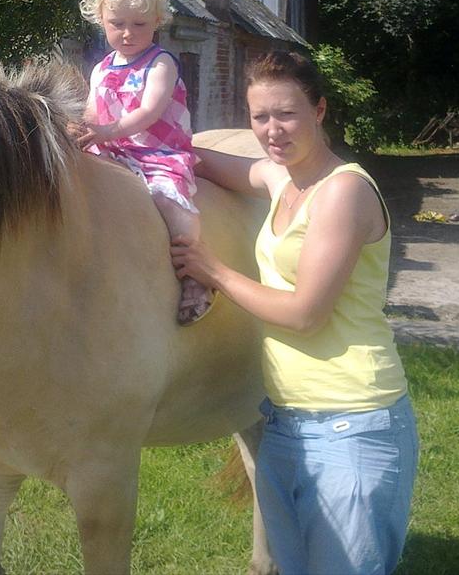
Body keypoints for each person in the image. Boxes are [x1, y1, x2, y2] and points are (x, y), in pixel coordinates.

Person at [169, 50, 418, 575]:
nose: (272, 130)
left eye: (287, 114)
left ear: (320, 110)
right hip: (286, 422)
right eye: (260, 117)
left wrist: (214, 272)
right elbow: (209, 161)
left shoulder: (342, 193)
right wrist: (142, 138)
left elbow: (306, 313)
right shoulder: (284, 180)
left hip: (353, 423)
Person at [75, 0, 212, 325]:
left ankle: (196, 272)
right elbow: (91, 113)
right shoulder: (101, 69)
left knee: (168, 199)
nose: (127, 33)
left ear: (157, 21)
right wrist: (80, 130)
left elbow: (149, 112)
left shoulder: (161, 63)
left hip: (156, 151)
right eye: (116, 24)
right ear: (101, 19)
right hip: (111, 150)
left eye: (139, 24)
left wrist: (106, 131)